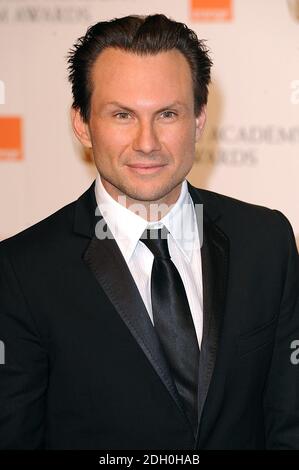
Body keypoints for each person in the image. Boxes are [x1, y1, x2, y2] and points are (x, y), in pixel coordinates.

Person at [0, 14, 298, 450]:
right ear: (82, 124)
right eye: (122, 114)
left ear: (198, 119)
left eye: (168, 114)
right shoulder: (21, 272)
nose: (147, 142)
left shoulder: (266, 242)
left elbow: (289, 423)